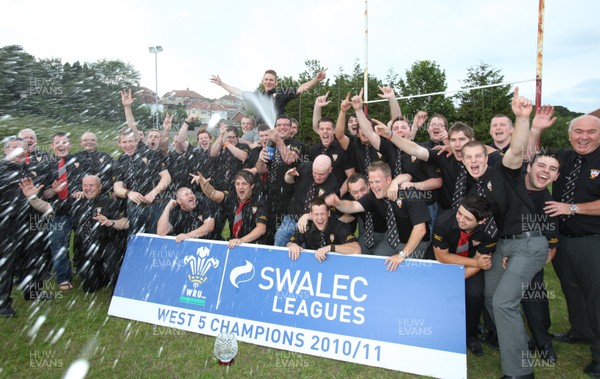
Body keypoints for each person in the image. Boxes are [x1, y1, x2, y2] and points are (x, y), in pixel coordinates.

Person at [532, 111, 600, 377]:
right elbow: (536, 159)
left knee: (596, 298)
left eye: (591, 132)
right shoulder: (566, 156)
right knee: (572, 291)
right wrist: (536, 128)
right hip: (564, 240)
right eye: (578, 132)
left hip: (593, 240)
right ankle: (581, 331)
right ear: (570, 134)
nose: (583, 137)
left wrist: (571, 208)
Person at [21, 175, 129, 293]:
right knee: (90, 288)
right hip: (86, 249)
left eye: (91, 185)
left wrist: (110, 222)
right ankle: (102, 275)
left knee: (117, 287)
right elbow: (47, 207)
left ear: (100, 187)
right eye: (85, 185)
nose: (88, 188)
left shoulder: (108, 202)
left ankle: (115, 277)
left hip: (108, 247)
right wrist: (32, 197)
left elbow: (125, 223)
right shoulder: (75, 201)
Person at [325, 161, 430, 267]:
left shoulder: (409, 194)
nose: (374, 186)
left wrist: (401, 255)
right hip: (393, 241)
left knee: (403, 268)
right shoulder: (373, 196)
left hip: (417, 244)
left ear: (389, 180)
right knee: (378, 259)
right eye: (371, 182)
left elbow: (420, 229)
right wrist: (338, 203)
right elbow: (352, 207)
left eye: (377, 181)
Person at [432, 195, 496, 357]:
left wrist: (460, 277)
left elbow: (481, 259)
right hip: (448, 258)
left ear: (481, 221)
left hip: (471, 263)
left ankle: (471, 335)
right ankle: (437, 329)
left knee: (475, 294)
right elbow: (442, 257)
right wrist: (476, 264)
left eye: (467, 218)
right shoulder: (444, 220)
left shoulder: (491, 231)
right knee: (433, 289)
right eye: (460, 213)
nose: (460, 219)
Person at [0, 138, 53, 318]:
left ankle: (33, 291)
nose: (20, 151)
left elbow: (38, 196)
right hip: (6, 223)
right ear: (6, 150)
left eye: (23, 148)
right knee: (6, 263)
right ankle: (2, 303)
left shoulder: (30, 170)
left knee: (33, 257)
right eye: (15, 148)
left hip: (31, 220)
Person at [38, 132, 83, 290]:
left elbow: (91, 183)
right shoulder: (45, 165)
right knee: (58, 245)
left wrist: (84, 192)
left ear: (69, 145)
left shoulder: (80, 161)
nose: (61, 145)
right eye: (58, 142)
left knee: (83, 243)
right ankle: (63, 278)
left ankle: (85, 272)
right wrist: (54, 191)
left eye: (65, 142)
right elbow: (43, 194)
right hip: (57, 213)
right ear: (52, 146)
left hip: (79, 210)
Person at [113, 128, 171, 235]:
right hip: (134, 207)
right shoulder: (120, 161)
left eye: (130, 141)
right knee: (136, 238)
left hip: (156, 205)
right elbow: (117, 188)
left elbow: (166, 178)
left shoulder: (151, 154)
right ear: (119, 143)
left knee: (157, 239)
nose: (128, 145)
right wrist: (129, 193)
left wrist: (154, 193)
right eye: (124, 142)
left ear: (136, 141)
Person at [274, 155, 339, 247]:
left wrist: (307, 216)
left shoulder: (333, 185)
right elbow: (289, 183)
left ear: (330, 170)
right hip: (292, 217)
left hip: (311, 224)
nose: (317, 177)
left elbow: (328, 213)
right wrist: (288, 175)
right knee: (279, 238)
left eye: (321, 174)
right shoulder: (305, 167)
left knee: (301, 249)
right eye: (315, 173)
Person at [192, 170, 267, 247]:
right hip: (233, 244)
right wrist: (204, 184)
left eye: (244, 184)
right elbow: (212, 193)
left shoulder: (259, 202)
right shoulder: (231, 197)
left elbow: (261, 229)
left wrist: (241, 240)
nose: (240, 187)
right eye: (237, 184)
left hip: (254, 245)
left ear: (252, 186)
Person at [210, 68, 327, 117]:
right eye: (266, 79)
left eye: (271, 80)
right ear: (262, 81)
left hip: (276, 130)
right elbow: (237, 92)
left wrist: (316, 80)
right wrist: (222, 84)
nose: (268, 82)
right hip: (260, 130)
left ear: (276, 83)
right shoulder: (257, 96)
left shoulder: (282, 93)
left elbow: (301, 88)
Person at [287, 198, 360, 261]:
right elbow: (289, 243)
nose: (320, 218)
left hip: (337, 266)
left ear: (328, 213)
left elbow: (356, 249)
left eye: (322, 214)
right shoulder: (307, 226)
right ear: (311, 215)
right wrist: (293, 245)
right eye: (316, 214)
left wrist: (330, 248)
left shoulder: (338, 226)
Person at [75, 131, 114, 195]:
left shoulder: (105, 157)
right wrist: (77, 190)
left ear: (96, 142)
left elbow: (113, 175)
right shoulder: (74, 158)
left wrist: (111, 190)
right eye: (85, 140)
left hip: (102, 195)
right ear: (81, 143)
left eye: (92, 140)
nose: (89, 142)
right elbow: (72, 178)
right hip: (80, 196)